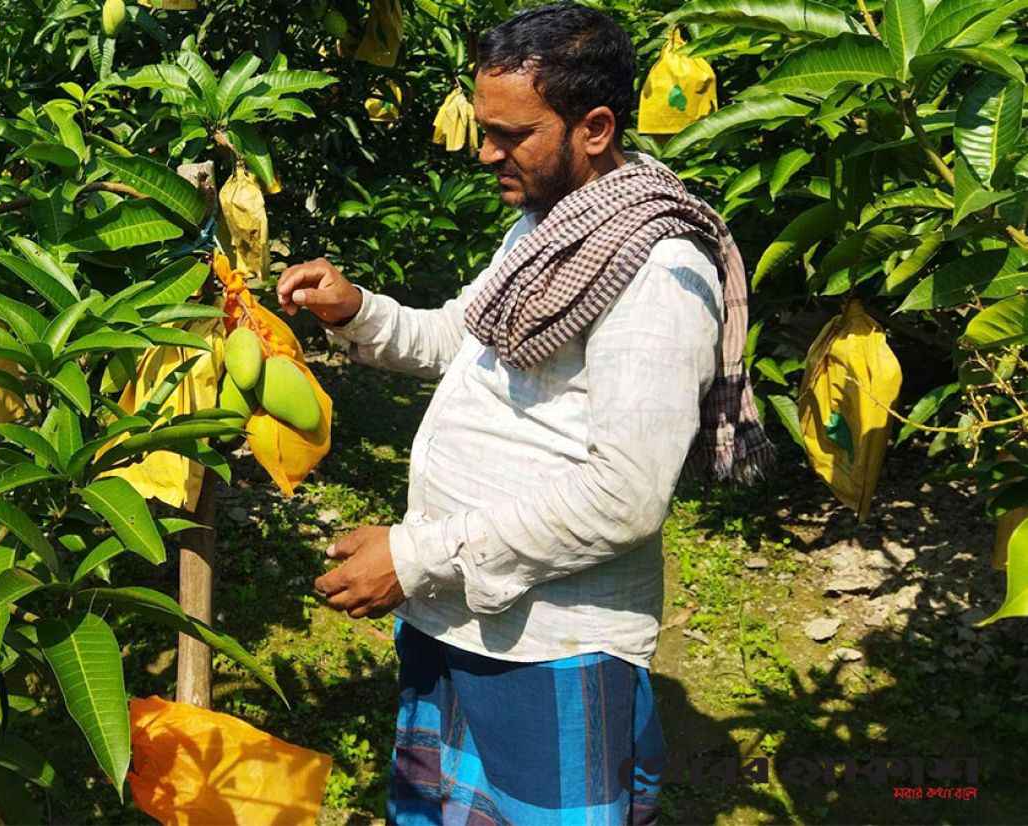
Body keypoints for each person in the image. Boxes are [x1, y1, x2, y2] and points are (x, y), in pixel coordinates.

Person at [275, 3, 777, 823]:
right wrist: (355, 310)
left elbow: (624, 496)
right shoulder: (548, 228)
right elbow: (462, 337)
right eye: (485, 127)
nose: (485, 152)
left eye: (511, 134)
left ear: (596, 127)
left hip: (551, 647)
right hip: (458, 615)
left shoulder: (658, 270)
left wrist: (416, 555)